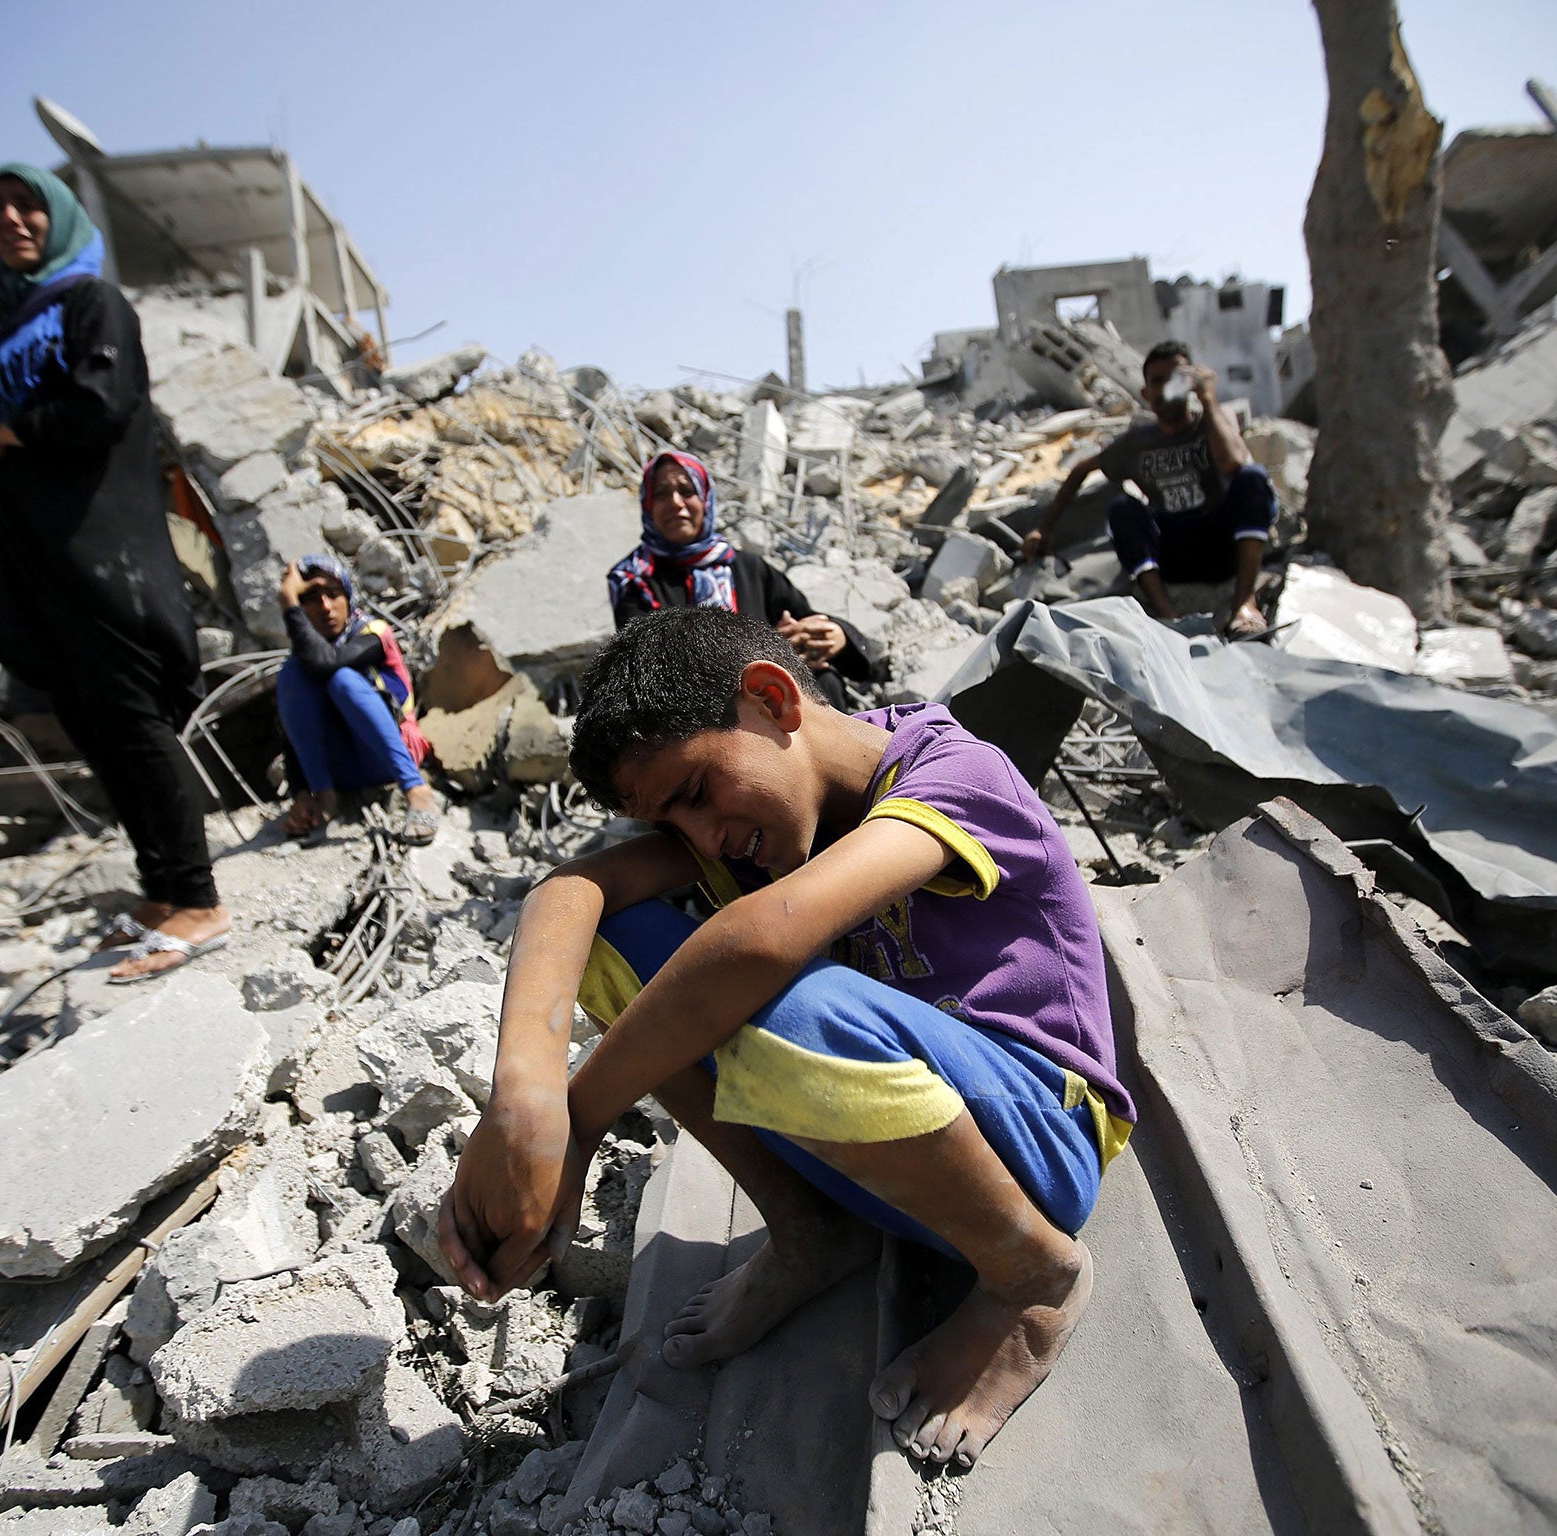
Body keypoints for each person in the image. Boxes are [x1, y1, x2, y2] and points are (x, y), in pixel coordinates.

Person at [439, 608, 1134, 1470]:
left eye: (697, 796)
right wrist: (523, 1105)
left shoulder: (954, 772)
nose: (704, 841)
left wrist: (577, 1124)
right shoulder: (753, 824)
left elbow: (761, 942)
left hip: (1041, 1140)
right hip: (886, 1139)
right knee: (621, 948)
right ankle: (811, 1232)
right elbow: (568, 894)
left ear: (772, 699)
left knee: (775, 1001)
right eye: (675, 828)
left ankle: (1033, 1278)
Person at [0, 163, 227, 983]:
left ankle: (201, 900)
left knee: (132, 715)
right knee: (90, 720)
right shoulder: (5, 329)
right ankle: (161, 889)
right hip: (35, 556)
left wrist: (6, 437)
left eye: (28, 203)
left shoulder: (90, 303)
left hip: (101, 544)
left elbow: (99, 404)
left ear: (59, 216)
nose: (12, 217)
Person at [1022, 340, 1274, 637]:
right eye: (1158, 381)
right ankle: (1170, 618)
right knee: (1122, 509)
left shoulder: (1214, 421)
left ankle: (1244, 603)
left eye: (1176, 378)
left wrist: (1207, 399)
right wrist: (1045, 528)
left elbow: (1233, 462)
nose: (1167, 388)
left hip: (1220, 543)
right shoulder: (1137, 443)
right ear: (1146, 393)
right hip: (1174, 549)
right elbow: (1080, 470)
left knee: (1253, 478)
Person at [608, 450, 877, 707]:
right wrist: (770, 653)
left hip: (768, 699)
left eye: (687, 491)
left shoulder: (748, 568)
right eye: (662, 494)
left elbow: (801, 618)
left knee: (824, 681)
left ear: (705, 499)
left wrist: (834, 636)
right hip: (695, 713)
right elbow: (651, 665)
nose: (676, 502)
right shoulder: (635, 581)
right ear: (647, 505)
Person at [276, 553, 441, 845]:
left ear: (348, 596)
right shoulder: (304, 658)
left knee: (343, 680)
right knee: (291, 674)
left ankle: (418, 791)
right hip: (340, 772)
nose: (326, 606)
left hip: (388, 759)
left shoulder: (373, 633)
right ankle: (324, 799)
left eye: (333, 594)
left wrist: (289, 602)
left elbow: (327, 663)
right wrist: (301, 793)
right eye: (311, 598)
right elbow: (292, 730)